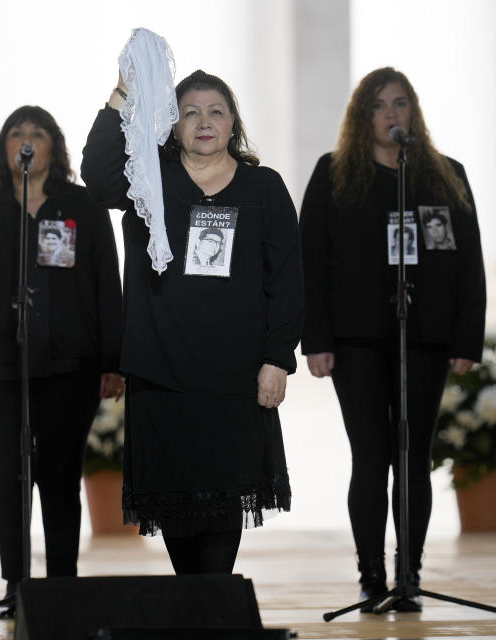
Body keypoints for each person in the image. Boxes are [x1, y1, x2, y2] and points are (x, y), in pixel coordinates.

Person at [81, 68, 302, 575]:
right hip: (162, 376)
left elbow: (287, 281)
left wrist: (277, 359)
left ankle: (214, 608)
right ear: (172, 125)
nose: (204, 121)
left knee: (223, 513)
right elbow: (97, 174)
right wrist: (122, 93)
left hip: (235, 379)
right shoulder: (148, 183)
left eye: (216, 111)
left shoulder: (263, 187)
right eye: (190, 113)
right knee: (178, 512)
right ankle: (198, 606)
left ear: (233, 123)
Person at [298, 67, 486, 612]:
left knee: (413, 457)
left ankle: (410, 573)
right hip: (355, 340)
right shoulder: (334, 174)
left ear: (414, 113)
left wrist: (465, 338)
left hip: (423, 338)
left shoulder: (444, 176)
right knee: (371, 456)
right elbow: (311, 261)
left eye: (400, 103)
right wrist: (316, 338)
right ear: (362, 117)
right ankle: (371, 574)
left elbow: (469, 263)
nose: (391, 114)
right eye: (378, 106)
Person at [0, 105, 123, 619]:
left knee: (62, 477)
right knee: (7, 476)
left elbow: (106, 284)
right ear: (5, 147)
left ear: (54, 147)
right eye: (17, 133)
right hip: (0, 369)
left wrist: (113, 359)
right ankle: (16, 586)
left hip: (71, 366)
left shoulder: (82, 207)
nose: (26, 140)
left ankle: (62, 587)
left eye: (37, 133)